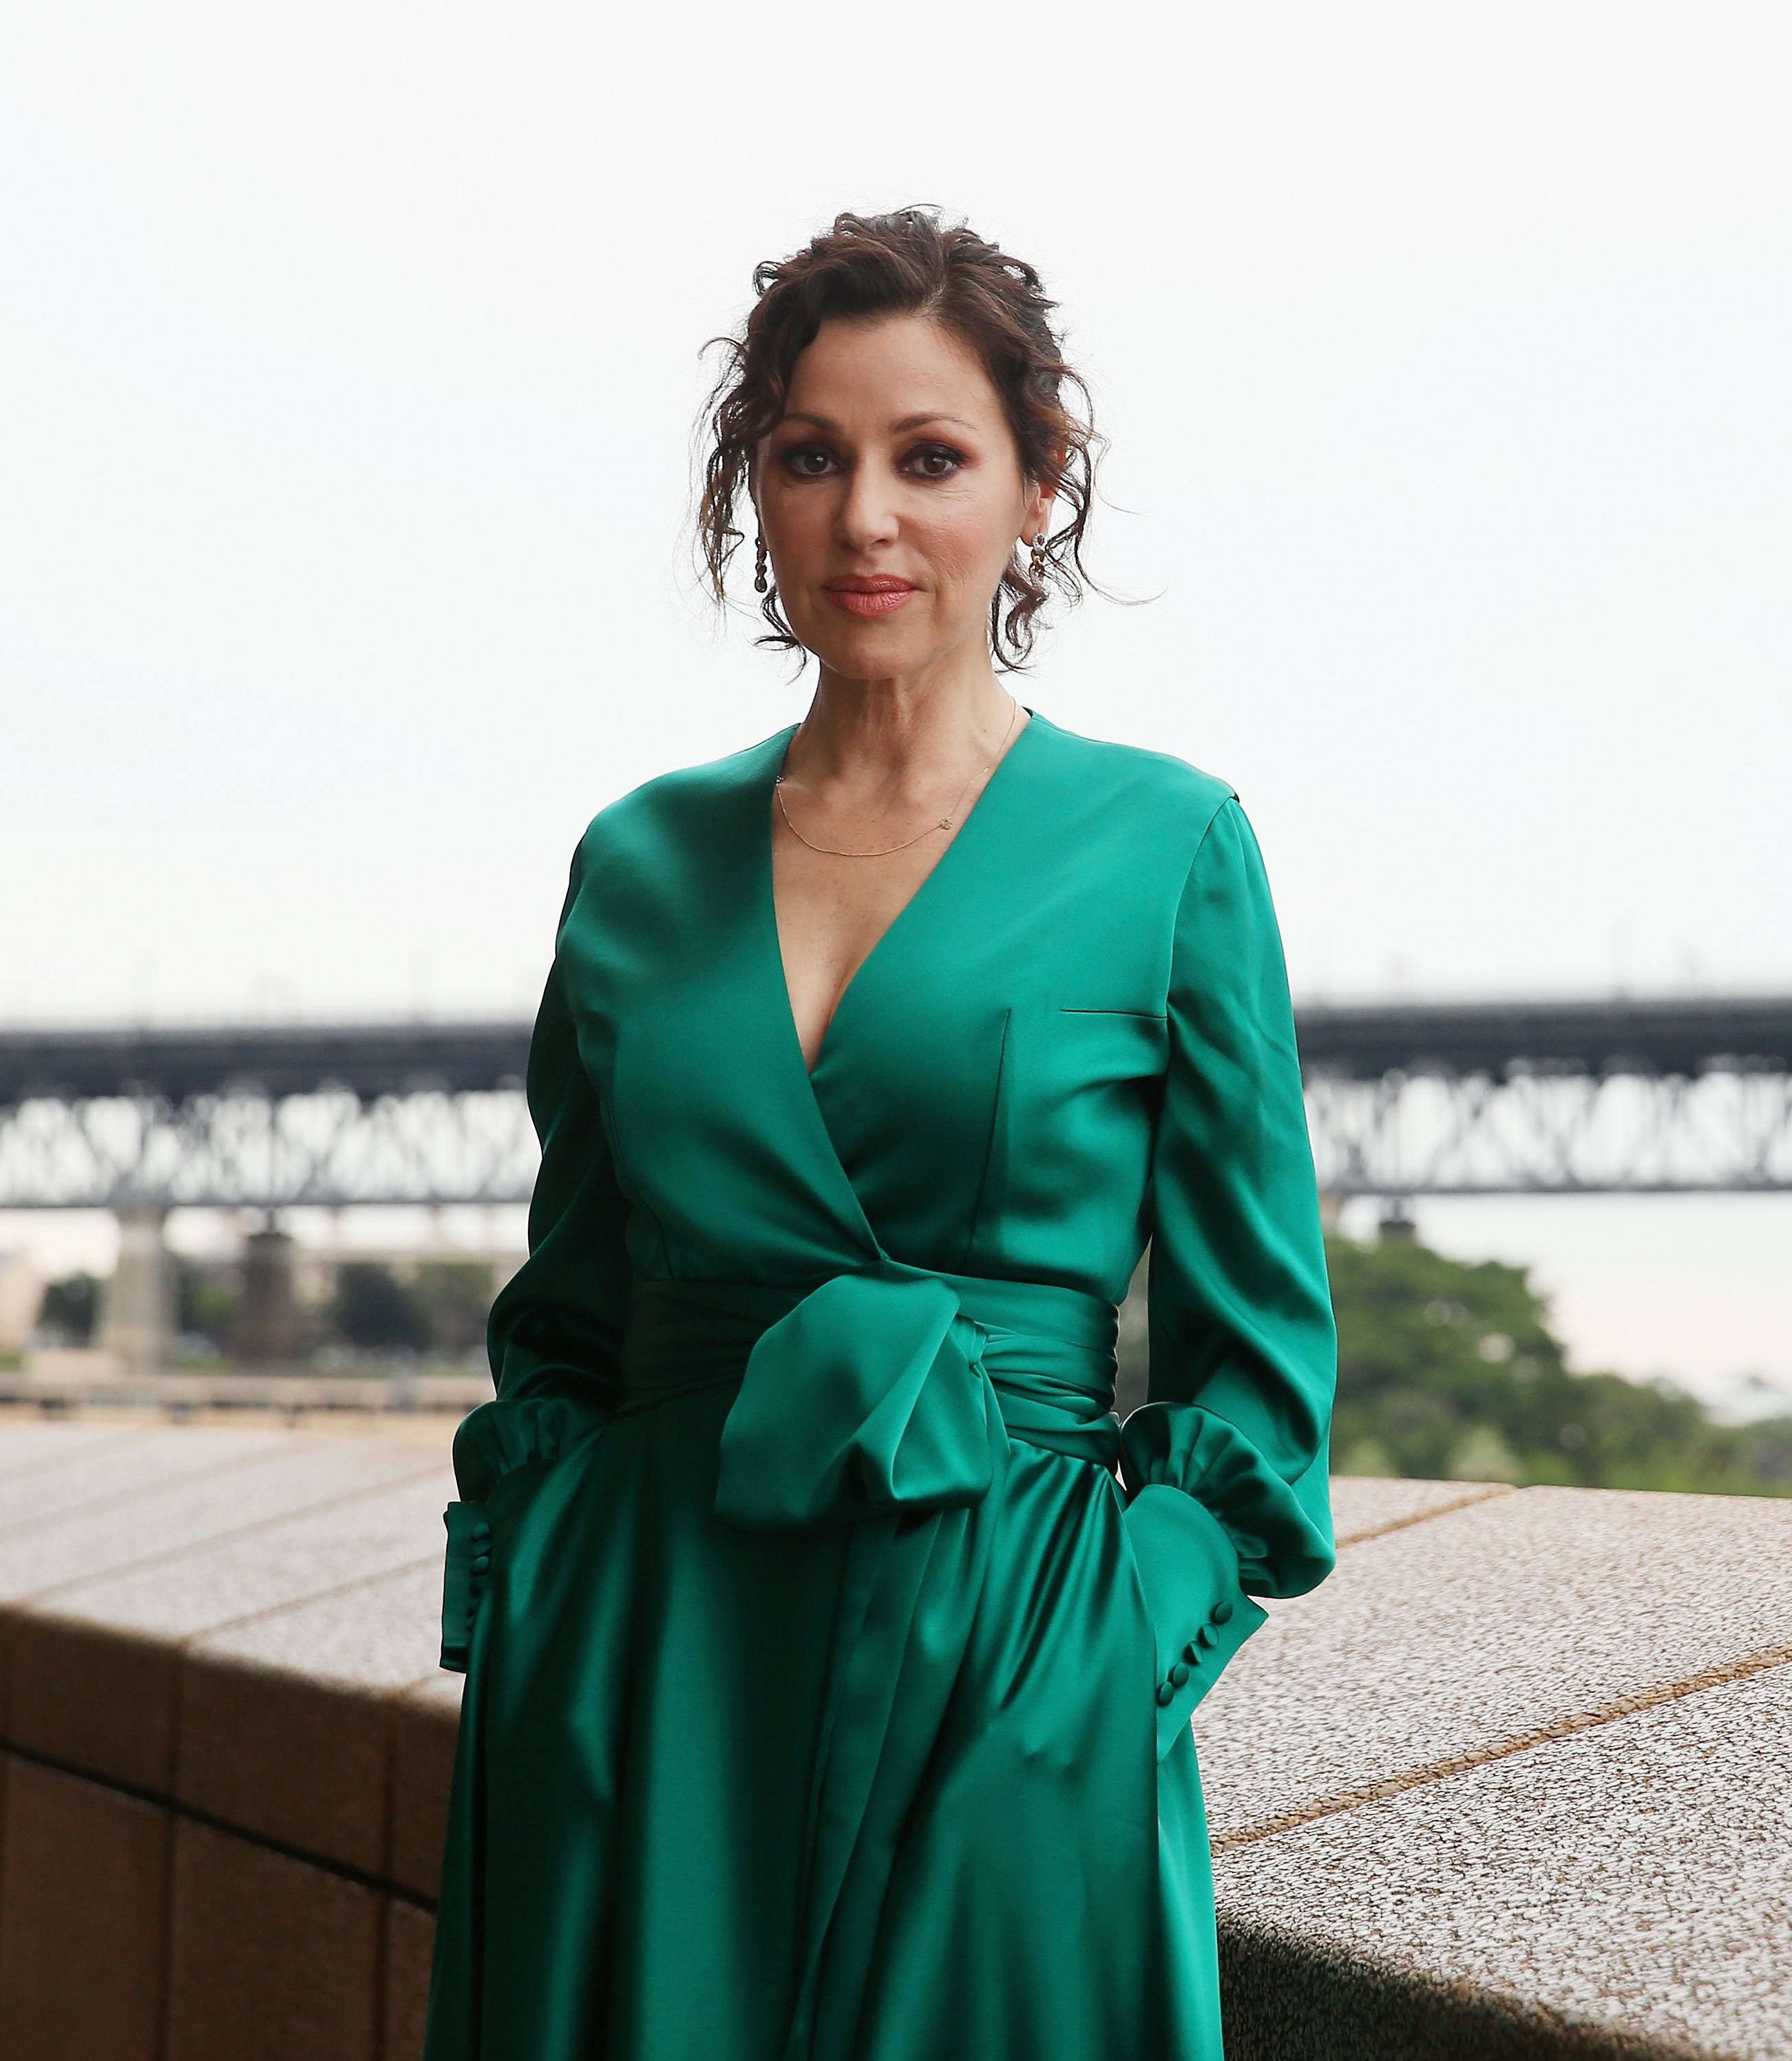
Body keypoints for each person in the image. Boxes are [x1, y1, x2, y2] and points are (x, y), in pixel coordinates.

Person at [424, 208, 1337, 2060]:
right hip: (643, 1676)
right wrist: (543, 1615)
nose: (866, 521)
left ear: (1032, 485)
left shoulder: (1167, 846)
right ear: (749, 488)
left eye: (929, 459)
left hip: (1013, 1667)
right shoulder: (635, 863)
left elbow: (1258, 1370)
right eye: (811, 457)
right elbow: (573, 1318)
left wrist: (1100, 1662)